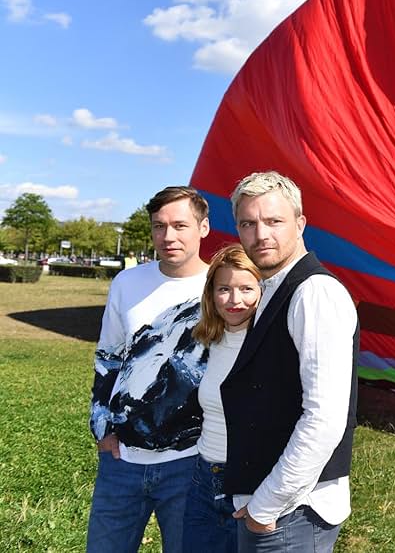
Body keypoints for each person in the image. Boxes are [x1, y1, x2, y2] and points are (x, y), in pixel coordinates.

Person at [223, 171, 358, 551]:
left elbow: (324, 419)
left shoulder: (315, 294)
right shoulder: (274, 287)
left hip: (292, 512)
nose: (261, 234)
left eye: (274, 221)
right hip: (275, 506)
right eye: (248, 223)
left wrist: (266, 506)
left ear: (300, 224)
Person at [87, 186, 211, 553]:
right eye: (159, 226)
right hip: (122, 459)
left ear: (203, 227)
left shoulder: (222, 288)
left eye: (180, 225)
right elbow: (108, 357)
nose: (168, 236)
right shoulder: (127, 283)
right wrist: (102, 428)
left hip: (191, 463)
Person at [181, 244, 262, 552]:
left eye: (246, 288)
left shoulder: (274, 345)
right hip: (203, 478)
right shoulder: (207, 342)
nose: (235, 300)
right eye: (224, 289)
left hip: (251, 485)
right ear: (211, 295)